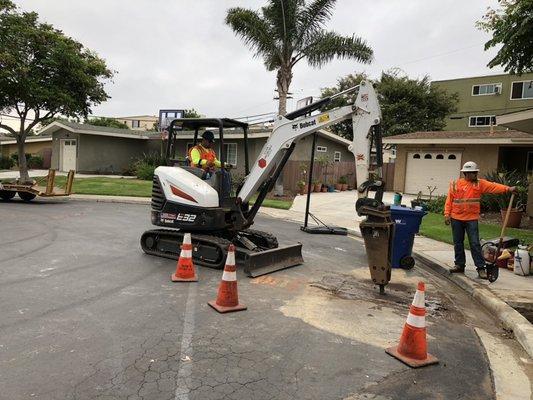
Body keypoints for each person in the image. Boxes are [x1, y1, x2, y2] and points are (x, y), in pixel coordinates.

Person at [444, 161, 517, 279]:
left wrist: (508, 189)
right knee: (458, 243)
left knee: (475, 243)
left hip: (471, 219)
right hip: (456, 218)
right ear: (466, 174)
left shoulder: (479, 184)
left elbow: (493, 186)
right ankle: (459, 265)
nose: (476, 175)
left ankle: (481, 268)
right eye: (473, 173)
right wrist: (447, 214)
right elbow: (449, 200)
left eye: (476, 172)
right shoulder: (455, 184)